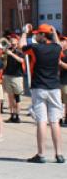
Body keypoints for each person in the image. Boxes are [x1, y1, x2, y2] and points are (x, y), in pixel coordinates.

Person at [20, 24, 64, 163]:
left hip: (39, 87)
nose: (36, 36)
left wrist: (24, 33)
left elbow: (21, 46)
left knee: (41, 121)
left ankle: (41, 154)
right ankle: (59, 154)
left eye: (38, 34)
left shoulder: (35, 48)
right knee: (55, 121)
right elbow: (58, 44)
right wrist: (53, 30)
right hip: (54, 88)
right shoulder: (57, 48)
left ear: (43, 35)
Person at [2, 35, 25, 123]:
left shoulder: (20, 51)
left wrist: (12, 54)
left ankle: (17, 116)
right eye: (10, 40)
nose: (11, 42)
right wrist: (4, 54)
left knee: (17, 97)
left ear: (17, 41)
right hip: (8, 75)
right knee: (10, 97)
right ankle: (12, 115)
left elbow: (22, 61)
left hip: (17, 76)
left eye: (13, 40)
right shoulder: (7, 51)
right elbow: (3, 62)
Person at [60, 36, 67, 127]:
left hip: (66, 81)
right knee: (60, 102)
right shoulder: (59, 52)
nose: (61, 42)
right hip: (59, 80)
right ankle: (61, 118)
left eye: (63, 41)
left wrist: (60, 63)